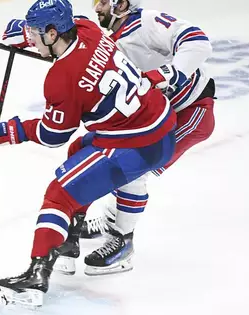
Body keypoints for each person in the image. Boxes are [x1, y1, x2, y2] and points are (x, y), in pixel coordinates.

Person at [0, 0, 177, 302]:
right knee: (79, 150)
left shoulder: (62, 78)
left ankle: (37, 272)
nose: (31, 39)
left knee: (59, 193)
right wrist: (26, 34)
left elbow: (52, 134)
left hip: (134, 144)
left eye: (35, 33)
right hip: (159, 123)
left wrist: (12, 130)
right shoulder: (86, 27)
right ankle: (69, 242)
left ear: (51, 33)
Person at [68, 0, 215, 273]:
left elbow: (198, 41)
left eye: (101, 2)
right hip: (154, 117)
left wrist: (169, 73)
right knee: (109, 157)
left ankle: (123, 243)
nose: (96, 8)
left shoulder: (145, 22)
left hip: (190, 111)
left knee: (133, 170)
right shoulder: (109, 38)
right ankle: (114, 219)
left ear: (121, 4)